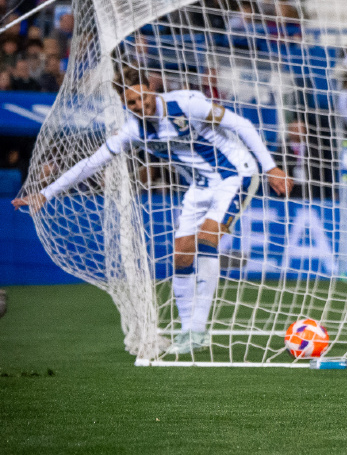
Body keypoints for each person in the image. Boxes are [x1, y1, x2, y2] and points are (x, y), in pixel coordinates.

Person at [13, 67, 293, 356]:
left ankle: (198, 328)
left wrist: (271, 167)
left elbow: (242, 125)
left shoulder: (187, 104)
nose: (139, 105)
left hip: (235, 174)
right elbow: (91, 163)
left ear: (151, 88)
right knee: (182, 253)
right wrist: (46, 192)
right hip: (199, 186)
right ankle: (187, 331)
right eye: (131, 103)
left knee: (208, 239)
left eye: (142, 97)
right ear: (124, 104)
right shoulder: (133, 130)